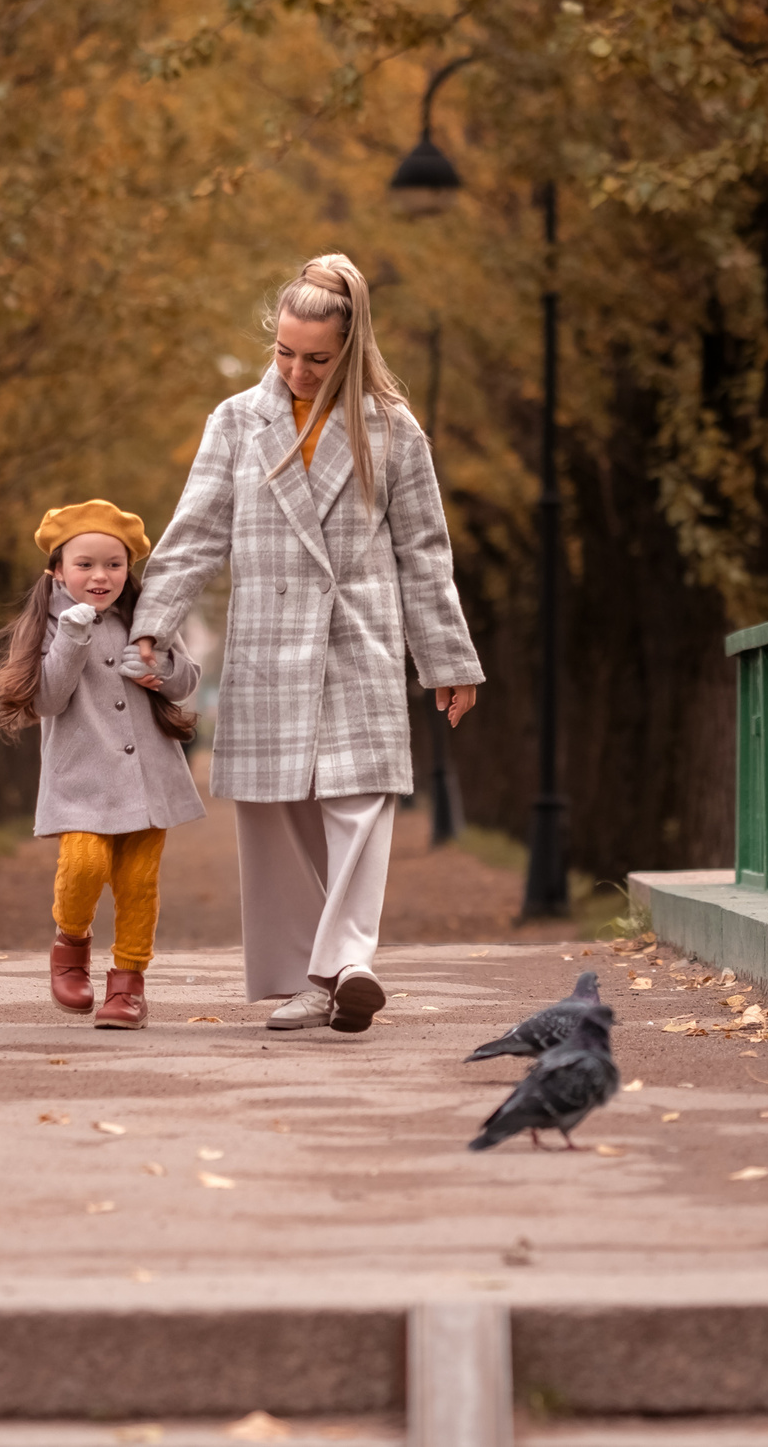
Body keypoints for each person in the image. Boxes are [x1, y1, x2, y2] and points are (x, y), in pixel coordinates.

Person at [131, 254, 482, 1034]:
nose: (296, 369)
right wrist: (154, 625)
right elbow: (194, 536)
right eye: (285, 351)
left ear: (351, 349)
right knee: (279, 814)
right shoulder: (235, 421)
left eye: (317, 358)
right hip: (266, 640)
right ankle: (306, 978)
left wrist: (449, 659)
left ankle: (346, 963)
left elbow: (425, 550)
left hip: (358, 635)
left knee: (361, 803)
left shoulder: (394, 427)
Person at [0, 501, 202, 1029]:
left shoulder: (146, 618)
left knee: (139, 884)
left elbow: (187, 679)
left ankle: (127, 985)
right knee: (84, 866)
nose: (100, 576)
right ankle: (71, 944)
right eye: (85, 564)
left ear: (128, 570)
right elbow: (49, 700)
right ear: (57, 570)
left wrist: (159, 669)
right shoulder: (50, 626)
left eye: (114, 564)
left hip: (151, 779)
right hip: (82, 781)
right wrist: (74, 637)